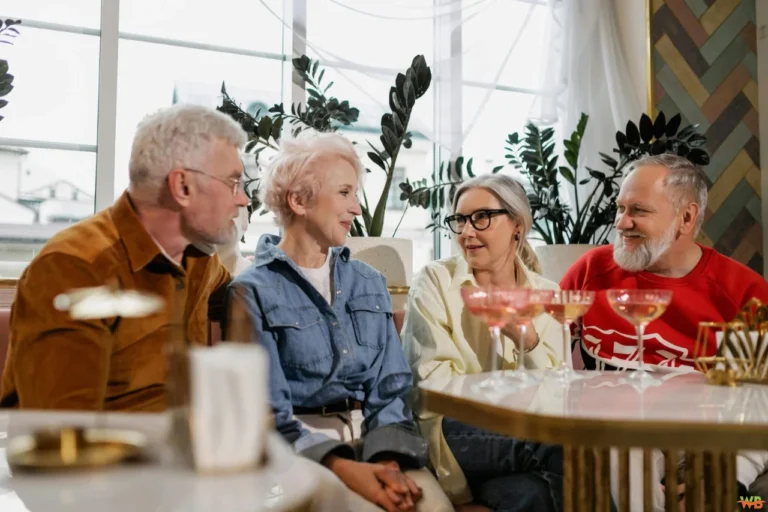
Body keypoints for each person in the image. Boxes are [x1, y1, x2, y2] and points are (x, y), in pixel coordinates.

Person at [227, 130, 452, 512]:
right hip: (303, 454)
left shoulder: (369, 282)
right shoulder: (252, 291)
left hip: (380, 443)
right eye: (345, 193)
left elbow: (391, 387)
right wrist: (345, 468)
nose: (358, 209)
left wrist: (386, 461)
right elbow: (269, 413)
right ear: (299, 200)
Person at [0, 104, 248, 411]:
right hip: (112, 455)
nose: (243, 199)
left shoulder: (199, 259)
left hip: (182, 446)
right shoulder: (73, 268)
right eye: (233, 182)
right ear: (182, 186)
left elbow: (245, 296)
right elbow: (65, 433)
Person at [560, 153, 768, 505]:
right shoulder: (590, 271)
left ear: (686, 218)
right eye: (620, 208)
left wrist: (729, 476)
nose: (622, 223)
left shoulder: (743, 294)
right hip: (614, 434)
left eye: (638, 211)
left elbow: (754, 402)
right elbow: (547, 359)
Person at [400, 174, 565, 512]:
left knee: (529, 495)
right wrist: (514, 393)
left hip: (521, 436)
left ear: (517, 225)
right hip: (451, 432)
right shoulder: (436, 280)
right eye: (459, 220)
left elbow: (558, 391)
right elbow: (432, 385)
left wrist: (526, 337)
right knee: (568, 446)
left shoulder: (547, 294)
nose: (466, 232)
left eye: (481, 218)